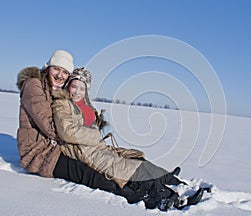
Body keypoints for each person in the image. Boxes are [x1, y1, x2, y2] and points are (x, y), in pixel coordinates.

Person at [51, 67, 211, 211]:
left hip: (99, 148)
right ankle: (174, 198)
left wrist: (102, 122)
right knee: (128, 170)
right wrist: (97, 134)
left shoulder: (86, 104)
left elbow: (90, 123)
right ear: (68, 86)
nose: (77, 91)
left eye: (82, 88)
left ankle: (176, 182)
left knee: (136, 159)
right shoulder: (62, 104)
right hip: (85, 151)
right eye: (74, 86)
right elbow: (67, 132)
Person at [16, 50, 145, 206]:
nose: (59, 75)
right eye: (56, 68)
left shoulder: (56, 89)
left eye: (64, 72)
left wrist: (90, 126)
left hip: (57, 146)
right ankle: (130, 196)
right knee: (87, 172)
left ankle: (144, 183)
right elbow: (52, 128)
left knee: (103, 161)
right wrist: (87, 133)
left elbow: (71, 121)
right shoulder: (34, 85)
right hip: (39, 153)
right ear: (48, 66)